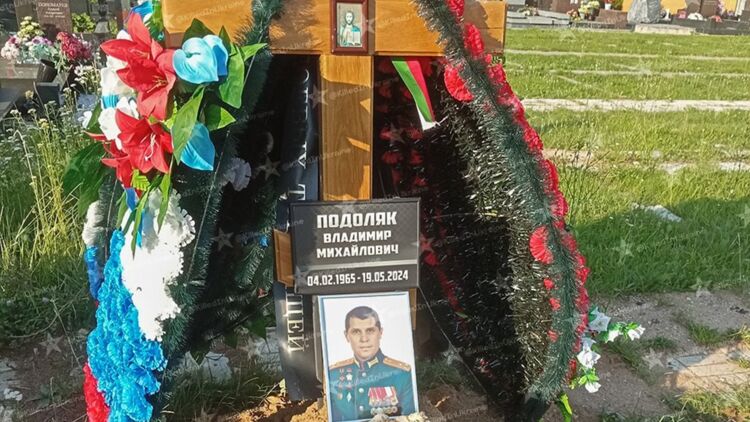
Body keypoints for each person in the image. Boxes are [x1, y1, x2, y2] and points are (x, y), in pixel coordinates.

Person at [327, 306, 415, 421]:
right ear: (347, 336)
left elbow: (408, 417)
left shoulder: (401, 374)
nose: (364, 339)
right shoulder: (333, 374)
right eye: (356, 332)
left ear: (380, 333)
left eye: (370, 331)